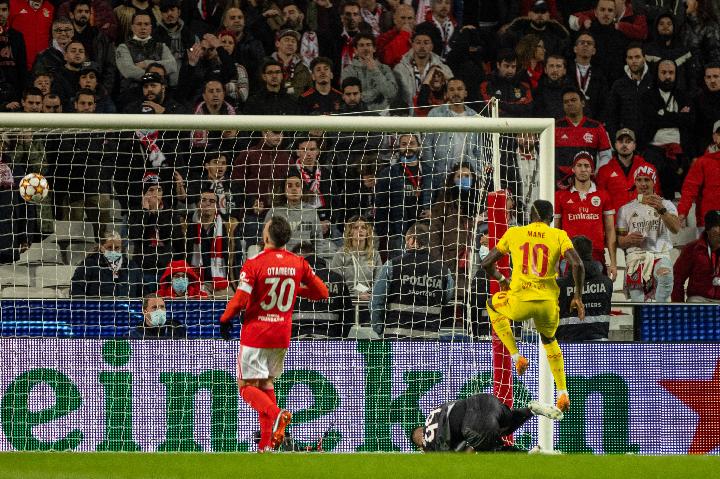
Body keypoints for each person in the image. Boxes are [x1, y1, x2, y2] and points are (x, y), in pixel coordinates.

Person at [219, 215, 329, 451]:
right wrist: (294, 291)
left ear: (267, 236)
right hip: (281, 334)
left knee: (246, 386)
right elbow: (322, 293)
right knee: (266, 383)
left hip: (257, 332)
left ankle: (277, 414)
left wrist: (225, 319)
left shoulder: (254, 263)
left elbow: (240, 300)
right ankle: (266, 446)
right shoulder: (298, 263)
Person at [481, 199, 585, 412]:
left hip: (520, 303)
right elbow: (577, 264)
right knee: (549, 340)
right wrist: (577, 296)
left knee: (491, 304)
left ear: (531, 216)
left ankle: (516, 356)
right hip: (547, 304)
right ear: (551, 218)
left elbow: (485, 263)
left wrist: (501, 278)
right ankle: (563, 392)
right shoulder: (559, 235)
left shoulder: (514, 233)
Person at [370, 221, 455, 338]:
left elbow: (377, 301)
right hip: (429, 337)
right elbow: (446, 298)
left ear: (411, 240)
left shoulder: (392, 265)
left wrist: (379, 329)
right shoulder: (444, 271)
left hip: (396, 336)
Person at [411, 393, 563, 452]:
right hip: (484, 401)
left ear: (420, 446)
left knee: (491, 453)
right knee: (505, 423)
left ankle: (528, 455)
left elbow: (465, 453)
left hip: (473, 426)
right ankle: (531, 410)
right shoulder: (433, 413)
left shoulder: (431, 447)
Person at [616, 166, 682, 303]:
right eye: (639, 180)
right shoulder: (625, 209)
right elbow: (619, 241)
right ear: (634, 182)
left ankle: (658, 315)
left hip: (659, 255)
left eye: (647, 180)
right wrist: (627, 239)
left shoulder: (666, 204)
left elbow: (676, 228)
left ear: (654, 182)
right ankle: (644, 319)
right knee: (639, 304)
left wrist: (661, 209)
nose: (643, 184)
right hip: (636, 258)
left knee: (666, 278)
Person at [555, 151, 617, 280]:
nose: (583, 169)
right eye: (579, 165)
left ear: (592, 170)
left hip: (596, 257)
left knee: (594, 298)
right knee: (569, 299)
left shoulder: (603, 195)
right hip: (568, 258)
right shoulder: (560, 196)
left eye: (587, 166)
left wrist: (613, 263)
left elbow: (610, 231)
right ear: (573, 169)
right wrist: (555, 263)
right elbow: (556, 232)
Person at [638, 58, 693, 199]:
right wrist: (677, 117)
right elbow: (651, 120)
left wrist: (663, 116)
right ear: (657, 74)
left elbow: (688, 121)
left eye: (671, 72)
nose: (667, 76)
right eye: (663, 72)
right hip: (654, 149)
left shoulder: (684, 96)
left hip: (680, 150)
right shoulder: (647, 96)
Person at [374, 133, 431, 255]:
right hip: (398, 231)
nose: (408, 147)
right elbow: (380, 205)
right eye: (404, 144)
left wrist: (432, 212)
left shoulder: (429, 171)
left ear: (419, 146)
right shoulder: (388, 173)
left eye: (412, 143)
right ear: (398, 147)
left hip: (423, 229)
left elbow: (438, 199)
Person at [556, 235, 613, 341]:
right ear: (590, 252)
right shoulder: (607, 283)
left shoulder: (560, 285)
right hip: (600, 345)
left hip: (568, 344)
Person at [292, 241, 353, 338]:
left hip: (295, 342)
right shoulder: (336, 279)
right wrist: (338, 339)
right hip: (329, 340)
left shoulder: (290, 280)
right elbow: (348, 316)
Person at [554, 87, 612, 185]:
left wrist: (597, 173)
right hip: (560, 184)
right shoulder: (555, 127)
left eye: (573, 100)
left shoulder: (596, 127)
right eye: (566, 102)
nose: (569, 103)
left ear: (583, 103)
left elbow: (606, 155)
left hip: (588, 182)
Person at [596, 128, 660, 215]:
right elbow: (600, 201)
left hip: (641, 222)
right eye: (621, 142)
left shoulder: (648, 169)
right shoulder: (604, 171)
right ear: (615, 145)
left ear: (634, 145)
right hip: (615, 223)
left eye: (628, 141)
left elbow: (655, 196)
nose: (624, 145)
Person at [393, 28, 453, 114]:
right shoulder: (400, 69)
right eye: (418, 42)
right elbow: (396, 99)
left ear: (432, 46)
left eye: (426, 43)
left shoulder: (443, 68)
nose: (422, 46)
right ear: (412, 44)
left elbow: (453, 92)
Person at [70, 231, 143, 298]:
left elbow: (142, 291)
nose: (113, 251)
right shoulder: (89, 265)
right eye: (109, 248)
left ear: (121, 248)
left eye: (117, 248)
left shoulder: (132, 266)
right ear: (102, 247)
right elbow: (76, 289)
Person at [677, 120, 720, 232]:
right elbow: (689, 190)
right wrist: (682, 213)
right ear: (714, 137)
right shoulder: (702, 163)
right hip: (709, 226)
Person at [605, 42, 653, 140]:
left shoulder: (654, 83)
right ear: (626, 60)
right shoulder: (618, 85)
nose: (634, 61)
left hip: (651, 142)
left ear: (644, 58)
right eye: (630, 58)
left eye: (637, 57)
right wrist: (616, 138)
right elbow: (611, 116)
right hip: (625, 141)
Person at [340, 33, 398, 114]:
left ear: (374, 48)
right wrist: (377, 93)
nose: (365, 48)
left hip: (382, 114)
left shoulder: (385, 69)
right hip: (357, 114)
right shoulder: (348, 71)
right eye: (361, 45)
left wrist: (375, 71)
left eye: (368, 45)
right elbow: (350, 97)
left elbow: (391, 93)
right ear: (355, 50)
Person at [330, 215, 382, 302]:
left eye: (363, 228)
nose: (360, 230)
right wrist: (356, 294)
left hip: (369, 300)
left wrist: (369, 294)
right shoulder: (340, 255)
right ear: (349, 232)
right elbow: (335, 284)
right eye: (356, 228)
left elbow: (379, 281)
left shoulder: (375, 255)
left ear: (367, 232)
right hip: (346, 300)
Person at [672, 210, 720, 303]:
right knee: (694, 302)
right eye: (718, 227)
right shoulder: (692, 249)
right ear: (708, 229)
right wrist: (679, 306)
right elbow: (677, 279)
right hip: (699, 298)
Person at [479, 49, 533, 118]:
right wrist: (516, 107)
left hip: (518, 127)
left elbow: (527, 109)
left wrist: (500, 104)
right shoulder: (487, 85)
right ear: (498, 65)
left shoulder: (524, 86)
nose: (510, 71)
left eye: (513, 67)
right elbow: (488, 109)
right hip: (495, 127)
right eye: (506, 66)